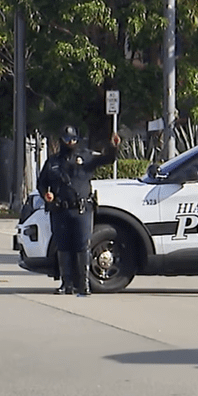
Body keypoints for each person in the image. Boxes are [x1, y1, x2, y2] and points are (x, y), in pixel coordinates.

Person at [37, 125, 119, 296]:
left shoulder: (86, 157)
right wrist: (46, 194)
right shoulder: (53, 162)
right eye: (67, 140)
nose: (70, 143)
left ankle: (83, 284)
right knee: (63, 246)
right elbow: (41, 183)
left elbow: (108, 159)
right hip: (60, 210)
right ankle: (66, 284)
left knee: (82, 246)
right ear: (61, 140)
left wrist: (114, 147)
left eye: (73, 139)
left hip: (82, 209)